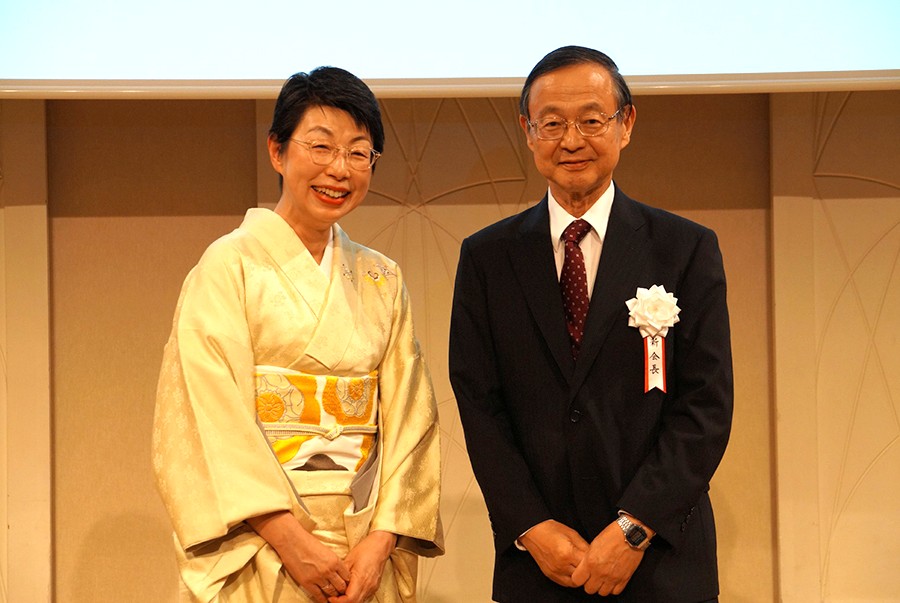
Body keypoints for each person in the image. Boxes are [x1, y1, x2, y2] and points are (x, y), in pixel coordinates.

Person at [449, 46, 733, 602]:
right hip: (541, 566)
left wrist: (634, 529)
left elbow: (706, 406)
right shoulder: (486, 258)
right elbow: (478, 405)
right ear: (529, 133)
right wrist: (530, 526)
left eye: (590, 120)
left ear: (625, 124)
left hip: (661, 561)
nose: (571, 140)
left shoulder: (686, 248)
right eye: (551, 123)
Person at [152, 66, 443, 603]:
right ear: (278, 151)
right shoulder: (229, 265)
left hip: (362, 540)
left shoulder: (383, 277)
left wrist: (381, 540)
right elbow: (204, 414)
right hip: (262, 542)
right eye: (322, 147)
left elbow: (410, 418)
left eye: (360, 153)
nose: (340, 169)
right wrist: (289, 539)